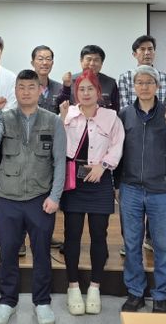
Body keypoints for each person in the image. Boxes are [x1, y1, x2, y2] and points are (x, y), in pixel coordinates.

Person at [0, 69, 66, 324]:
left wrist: (55, 196)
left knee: (41, 254)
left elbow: (60, 162)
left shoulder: (53, 121)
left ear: (40, 90)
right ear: (15, 90)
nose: (26, 92)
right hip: (8, 198)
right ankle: (7, 302)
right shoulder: (4, 117)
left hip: (40, 199)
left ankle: (42, 302)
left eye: (31, 87)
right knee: (8, 253)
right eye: (21, 87)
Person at [118, 66, 166, 313]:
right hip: (130, 189)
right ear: (134, 86)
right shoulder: (124, 114)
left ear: (157, 86)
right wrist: (117, 185)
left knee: (162, 246)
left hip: (159, 190)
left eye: (149, 82)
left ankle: (161, 295)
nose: (144, 87)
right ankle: (135, 292)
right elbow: (117, 152)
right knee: (132, 243)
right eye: (140, 82)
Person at [60, 69, 124, 316]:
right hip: (74, 183)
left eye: (90, 88)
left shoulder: (111, 117)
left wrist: (103, 165)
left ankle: (95, 287)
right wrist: (61, 119)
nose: (86, 93)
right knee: (72, 236)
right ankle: (73, 287)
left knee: (99, 235)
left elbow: (117, 145)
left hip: (100, 180)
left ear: (98, 92)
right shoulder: (68, 114)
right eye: (81, 89)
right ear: (76, 93)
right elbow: (60, 147)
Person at [59, 45, 120, 112]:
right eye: (88, 59)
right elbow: (60, 107)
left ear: (101, 63)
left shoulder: (110, 83)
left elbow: (116, 109)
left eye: (96, 60)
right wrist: (66, 87)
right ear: (81, 61)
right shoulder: (70, 81)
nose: (92, 63)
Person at [118, 35, 166, 109]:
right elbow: (124, 108)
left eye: (150, 49)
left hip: (159, 116)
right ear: (134, 54)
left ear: (154, 52)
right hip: (132, 116)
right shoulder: (125, 77)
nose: (147, 53)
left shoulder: (164, 78)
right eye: (142, 49)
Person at [31, 45, 63, 114]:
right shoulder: (25, 88)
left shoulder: (59, 88)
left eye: (48, 59)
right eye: (40, 59)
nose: (45, 63)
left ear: (52, 63)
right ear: (32, 63)